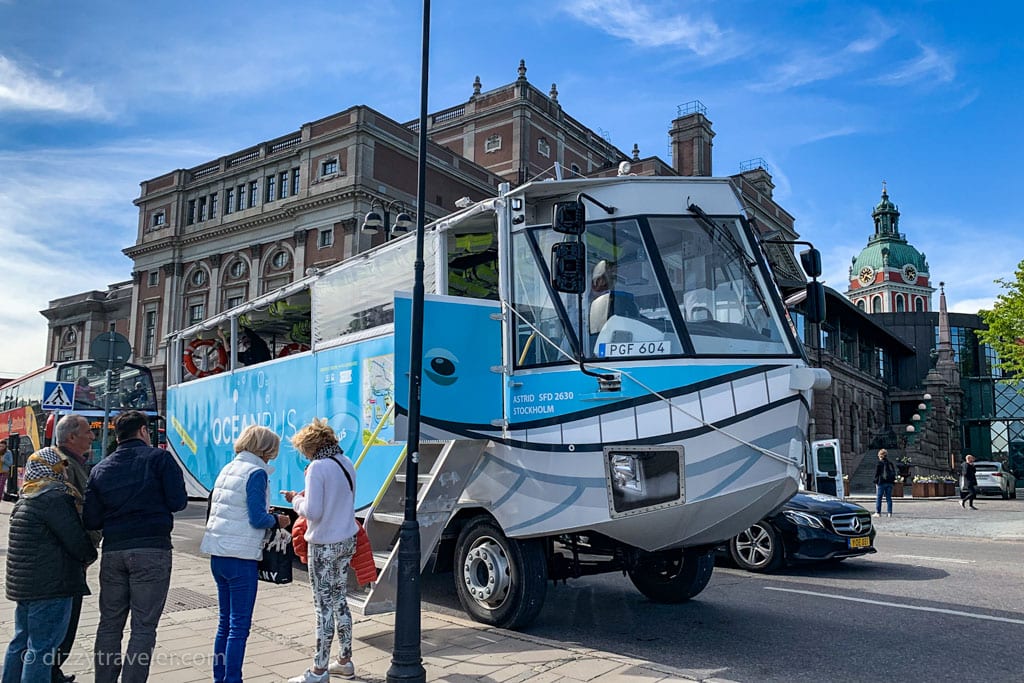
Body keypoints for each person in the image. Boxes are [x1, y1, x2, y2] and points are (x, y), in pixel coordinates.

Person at [83, 410, 188, 683]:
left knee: (109, 623)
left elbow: (91, 519)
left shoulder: (100, 469)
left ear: (117, 435)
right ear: (143, 430)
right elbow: (178, 502)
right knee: (143, 627)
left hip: (114, 551)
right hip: (152, 550)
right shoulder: (159, 459)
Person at [200, 425, 291, 683]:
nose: (273, 454)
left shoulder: (228, 468)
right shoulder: (256, 472)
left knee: (224, 623)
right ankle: (233, 679)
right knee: (239, 627)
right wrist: (278, 520)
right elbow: (257, 518)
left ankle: (220, 677)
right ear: (265, 449)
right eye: (272, 449)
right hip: (240, 557)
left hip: (218, 554)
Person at [3, 449, 97, 683]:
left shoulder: (26, 497)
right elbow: (76, 540)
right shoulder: (54, 498)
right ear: (51, 469)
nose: (66, 472)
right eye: (61, 467)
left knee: (20, 642)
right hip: (51, 585)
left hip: (25, 586)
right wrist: (89, 554)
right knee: (42, 648)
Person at [281, 419, 358, 682]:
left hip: (324, 544)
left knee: (322, 606)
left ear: (310, 447)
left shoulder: (317, 468)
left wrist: (295, 500)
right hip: (347, 540)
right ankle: (345, 660)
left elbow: (313, 511)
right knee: (340, 601)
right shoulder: (345, 463)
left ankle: (319, 669)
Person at [33, 414, 100, 683]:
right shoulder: (62, 465)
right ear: (71, 437)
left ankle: (51, 671)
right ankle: (49, 673)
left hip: (63, 556)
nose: (93, 437)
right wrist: (85, 551)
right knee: (61, 623)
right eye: (88, 432)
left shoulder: (72, 463)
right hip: (66, 557)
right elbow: (70, 514)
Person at [873, 448, 897, 517]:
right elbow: (893, 472)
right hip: (889, 483)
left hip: (881, 482)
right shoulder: (890, 463)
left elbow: (876, 474)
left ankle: (878, 512)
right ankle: (889, 513)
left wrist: (875, 481)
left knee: (879, 497)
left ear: (880, 455)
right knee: (889, 498)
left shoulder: (879, 463)